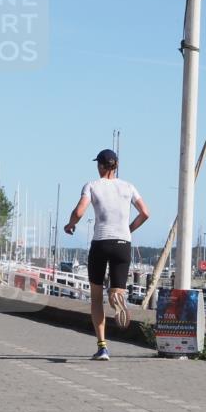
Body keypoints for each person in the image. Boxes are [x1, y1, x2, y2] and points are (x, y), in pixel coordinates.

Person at [64, 149, 149, 361]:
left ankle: (102, 347)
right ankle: (117, 298)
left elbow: (79, 211)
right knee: (115, 292)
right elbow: (145, 213)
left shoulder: (92, 185)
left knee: (95, 299)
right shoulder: (128, 187)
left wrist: (70, 225)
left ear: (100, 166)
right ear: (116, 165)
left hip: (101, 243)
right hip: (122, 244)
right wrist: (128, 229)